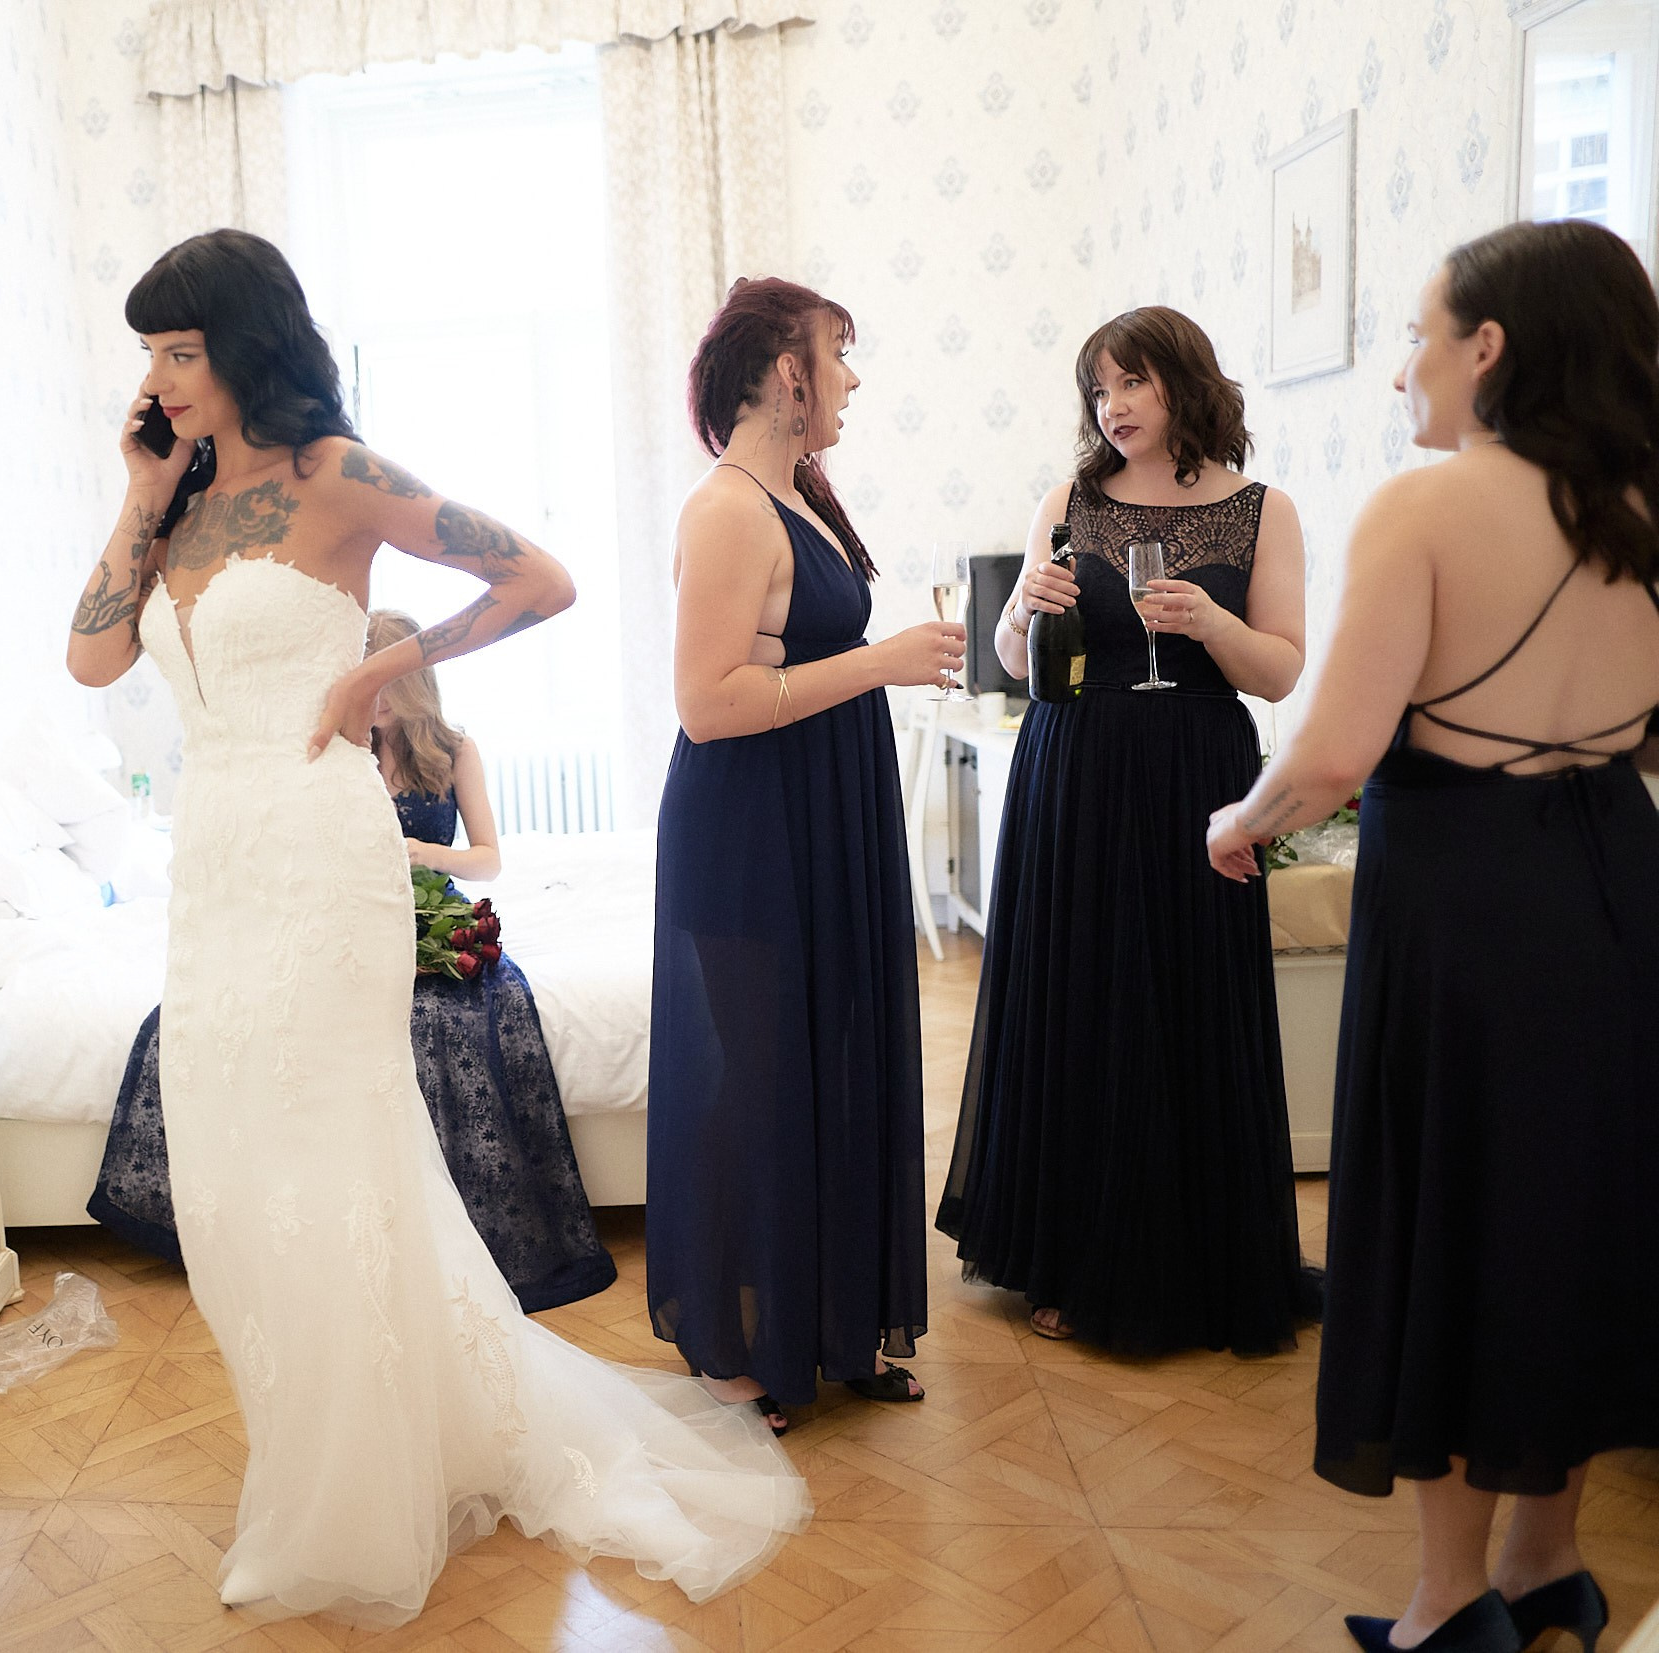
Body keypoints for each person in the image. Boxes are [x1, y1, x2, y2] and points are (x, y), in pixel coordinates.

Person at [65, 229, 807, 1625]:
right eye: (148, 355)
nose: (158, 379)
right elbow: (94, 655)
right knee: (228, 1178)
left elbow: (540, 579)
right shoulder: (178, 499)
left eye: (180, 350)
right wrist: (139, 492)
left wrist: (382, 671)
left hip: (321, 857)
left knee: (330, 1161)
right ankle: (331, 1442)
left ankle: (348, 1498)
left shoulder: (335, 475)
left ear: (243, 345)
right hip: (215, 872)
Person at [1208, 221, 1659, 1653]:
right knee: (1565, 1225)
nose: (1401, 366)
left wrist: (1237, 822)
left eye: (1417, 334)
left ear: (1489, 348)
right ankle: (1548, 1568)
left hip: (1466, 915)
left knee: (1447, 1230)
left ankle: (1448, 1603)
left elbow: (1333, 754)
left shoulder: (1424, 511)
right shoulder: (1641, 510)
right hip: (1615, 896)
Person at [936, 305, 1317, 1356]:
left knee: (1189, 993)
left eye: (1131, 382)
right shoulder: (1068, 503)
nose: (1111, 405)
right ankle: (1069, 1254)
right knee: (1083, 994)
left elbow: (1280, 671)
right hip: (1075, 768)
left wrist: (1211, 622)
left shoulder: (1263, 512)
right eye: (1098, 388)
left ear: (1185, 383)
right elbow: (1015, 659)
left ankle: (1196, 1255)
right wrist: (1017, 608)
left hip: (1198, 777)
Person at [89, 608, 617, 1313]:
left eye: (391, 679)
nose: (378, 695)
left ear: (416, 677)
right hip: (346, 907)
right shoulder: (334, 745)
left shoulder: (455, 750)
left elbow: (488, 859)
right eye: (366, 678)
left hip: (430, 908)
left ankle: (450, 1216)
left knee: (447, 1014)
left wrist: (419, 852)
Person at [647, 276, 962, 1436]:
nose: (851, 379)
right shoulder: (727, 509)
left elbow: (781, 657)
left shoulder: (799, 495)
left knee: (832, 1061)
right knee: (760, 1078)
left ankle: (826, 1319)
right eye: (839, 355)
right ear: (789, 373)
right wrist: (881, 662)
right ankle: (733, 1341)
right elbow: (705, 704)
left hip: (824, 812)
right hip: (752, 829)